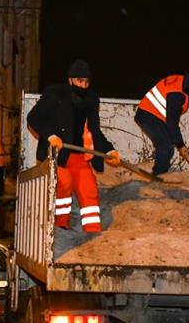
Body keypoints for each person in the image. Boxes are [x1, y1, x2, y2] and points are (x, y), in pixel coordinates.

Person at [26, 58, 119, 233]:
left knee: (89, 188)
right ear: (70, 79)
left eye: (86, 82)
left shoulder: (91, 99)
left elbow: (94, 130)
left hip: (78, 155)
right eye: (79, 81)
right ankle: (60, 225)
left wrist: (109, 150)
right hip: (55, 154)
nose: (83, 85)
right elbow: (33, 118)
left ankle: (93, 231)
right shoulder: (55, 94)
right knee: (65, 183)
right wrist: (50, 135)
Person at [135, 71, 189, 175]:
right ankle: (158, 175)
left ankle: (162, 172)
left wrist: (177, 142)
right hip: (148, 115)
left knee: (168, 145)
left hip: (155, 117)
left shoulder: (180, 83)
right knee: (165, 144)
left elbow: (171, 122)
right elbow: (172, 122)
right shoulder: (178, 94)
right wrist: (181, 145)